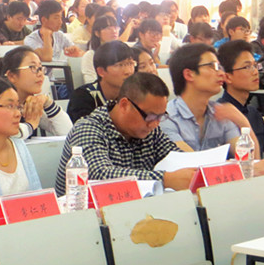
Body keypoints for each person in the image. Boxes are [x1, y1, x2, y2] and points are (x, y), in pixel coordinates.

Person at [55, 73, 197, 195]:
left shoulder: (150, 131)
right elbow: (99, 174)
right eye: (150, 116)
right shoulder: (88, 129)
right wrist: (165, 179)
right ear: (124, 105)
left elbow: (175, 157)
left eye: (161, 116)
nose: (155, 124)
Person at [160, 44, 263, 160]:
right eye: (212, 66)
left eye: (219, 67)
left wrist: (243, 121)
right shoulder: (166, 117)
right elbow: (191, 162)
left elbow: (251, 160)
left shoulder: (220, 113)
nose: (221, 73)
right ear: (189, 74)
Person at [0, 46, 72, 138]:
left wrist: (49, 104)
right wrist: (31, 125)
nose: (40, 74)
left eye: (40, 68)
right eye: (33, 67)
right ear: (12, 76)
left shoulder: (31, 103)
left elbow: (68, 133)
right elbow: (7, 137)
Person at [68, 41, 135, 122]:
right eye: (119, 65)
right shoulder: (82, 97)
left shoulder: (135, 94)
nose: (128, 71)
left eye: (130, 64)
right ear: (101, 71)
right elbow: (85, 127)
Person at [81, 15, 121, 83]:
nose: (114, 31)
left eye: (116, 28)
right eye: (108, 28)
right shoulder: (91, 56)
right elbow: (90, 81)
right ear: (97, 33)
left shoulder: (123, 53)